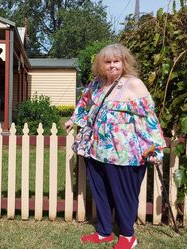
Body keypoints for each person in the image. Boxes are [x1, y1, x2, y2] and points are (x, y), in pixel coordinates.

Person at [64, 43, 165, 249]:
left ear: (124, 62)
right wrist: (74, 120)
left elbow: (148, 119)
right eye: (107, 62)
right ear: (101, 65)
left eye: (116, 61)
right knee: (100, 192)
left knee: (123, 194)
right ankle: (104, 232)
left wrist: (156, 148)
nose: (112, 66)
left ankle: (128, 236)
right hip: (97, 150)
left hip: (124, 154)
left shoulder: (133, 84)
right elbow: (84, 102)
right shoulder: (97, 83)